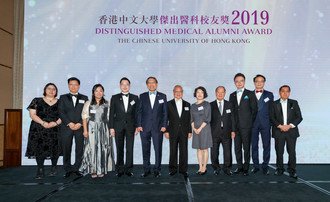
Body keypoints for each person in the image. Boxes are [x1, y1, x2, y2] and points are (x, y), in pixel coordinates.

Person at [25, 83, 62, 179]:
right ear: (45, 90)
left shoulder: (60, 102)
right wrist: (43, 123)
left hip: (55, 128)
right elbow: (32, 115)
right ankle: (40, 170)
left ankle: (54, 168)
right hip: (38, 128)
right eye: (49, 88)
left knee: (55, 148)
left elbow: (63, 116)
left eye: (54, 89)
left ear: (56, 91)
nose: (51, 90)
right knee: (39, 148)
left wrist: (55, 123)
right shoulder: (37, 100)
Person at [80, 84, 115, 178]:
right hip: (91, 128)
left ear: (103, 92)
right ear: (93, 92)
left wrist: (111, 129)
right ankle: (93, 170)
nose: (99, 93)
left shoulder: (107, 103)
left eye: (101, 91)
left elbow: (109, 117)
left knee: (103, 148)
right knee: (92, 148)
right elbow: (84, 117)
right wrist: (85, 130)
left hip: (104, 128)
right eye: (96, 91)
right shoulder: (88, 103)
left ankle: (101, 169)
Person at [137, 76, 168, 178]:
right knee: (145, 149)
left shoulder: (162, 96)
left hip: (158, 128)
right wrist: (139, 125)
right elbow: (139, 112)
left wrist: (164, 125)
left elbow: (165, 113)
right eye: (149, 83)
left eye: (153, 82)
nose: (151, 84)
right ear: (147, 85)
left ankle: (157, 170)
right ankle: (146, 170)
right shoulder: (142, 96)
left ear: (156, 84)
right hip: (144, 128)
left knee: (158, 149)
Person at [58, 77, 88, 178]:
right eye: (71, 84)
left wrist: (80, 123)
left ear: (79, 86)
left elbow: (86, 113)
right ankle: (67, 169)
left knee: (79, 148)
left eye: (75, 84)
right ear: (68, 85)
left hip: (80, 127)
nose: (73, 86)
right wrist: (69, 123)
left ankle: (77, 168)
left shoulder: (85, 98)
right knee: (66, 148)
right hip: (67, 127)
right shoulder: (62, 97)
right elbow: (61, 112)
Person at [270, 85, 302, 179]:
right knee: (279, 152)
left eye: (287, 91)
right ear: (279, 92)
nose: (285, 93)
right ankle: (279, 169)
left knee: (291, 152)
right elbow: (271, 117)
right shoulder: (273, 103)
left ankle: (292, 170)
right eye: (283, 91)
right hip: (278, 131)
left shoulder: (294, 103)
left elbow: (299, 117)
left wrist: (289, 126)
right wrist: (280, 126)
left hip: (291, 131)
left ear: (289, 92)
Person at [109, 77, 139, 177]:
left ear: (129, 86)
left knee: (130, 148)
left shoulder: (135, 98)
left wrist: (137, 126)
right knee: (119, 148)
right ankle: (120, 169)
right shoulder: (114, 97)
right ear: (120, 85)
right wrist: (111, 127)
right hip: (118, 127)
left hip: (131, 127)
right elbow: (111, 113)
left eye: (127, 84)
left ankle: (129, 169)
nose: (125, 86)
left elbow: (137, 114)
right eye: (123, 84)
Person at [229, 73, 258, 176]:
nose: (239, 83)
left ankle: (246, 168)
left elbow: (254, 110)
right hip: (236, 128)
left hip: (247, 127)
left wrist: (249, 123)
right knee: (237, 148)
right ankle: (239, 167)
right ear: (234, 83)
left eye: (241, 81)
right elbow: (232, 113)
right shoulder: (232, 95)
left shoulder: (250, 94)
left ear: (244, 82)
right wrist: (232, 128)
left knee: (246, 148)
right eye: (237, 81)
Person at [164, 85, 192, 177]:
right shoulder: (168, 104)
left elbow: (189, 119)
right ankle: (173, 169)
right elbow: (165, 118)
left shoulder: (187, 104)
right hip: (172, 131)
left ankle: (183, 170)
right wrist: (166, 131)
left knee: (184, 151)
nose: (178, 93)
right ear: (173, 92)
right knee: (173, 150)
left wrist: (189, 131)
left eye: (180, 91)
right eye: (176, 91)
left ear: (182, 93)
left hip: (184, 131)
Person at [210, 86, 236, 176]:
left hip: (227, 132)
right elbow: (208, 120)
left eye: (222, 92)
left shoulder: (230, 104)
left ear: (225, 93)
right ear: (215, 93)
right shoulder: (211, 105)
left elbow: (233, 118)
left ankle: (227, 168)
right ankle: (216, 168)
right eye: (218, 92)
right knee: (214, 152)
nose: (220, 94)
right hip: (214, 132)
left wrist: (233, 130)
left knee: (227, 152)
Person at [251, 74, 274, 175]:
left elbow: (272, 110)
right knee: (254, 146)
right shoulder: (249, 94)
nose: (259, 83)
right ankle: (256, 166)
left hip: (265, 123)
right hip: (253, 124)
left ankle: (265, 166)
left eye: (261, 81)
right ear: (254, 82)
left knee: (266, 145)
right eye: (257, 81)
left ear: (264, 82)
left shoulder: (269, 94)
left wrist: (271, 123)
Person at [191, 86, 212, 175]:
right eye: (198, 92)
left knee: (204, 149)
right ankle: (200, 167)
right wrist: (194, 128)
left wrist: (199, 128)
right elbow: (191, 118)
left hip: (204, 129)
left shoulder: (207, 104)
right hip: (195, 130)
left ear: (204, 94)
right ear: (195, 94)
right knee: (198, 149)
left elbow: (208, 118)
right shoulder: (192, 106)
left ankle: (204, 167)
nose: (199, 94)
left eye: (201, 92)